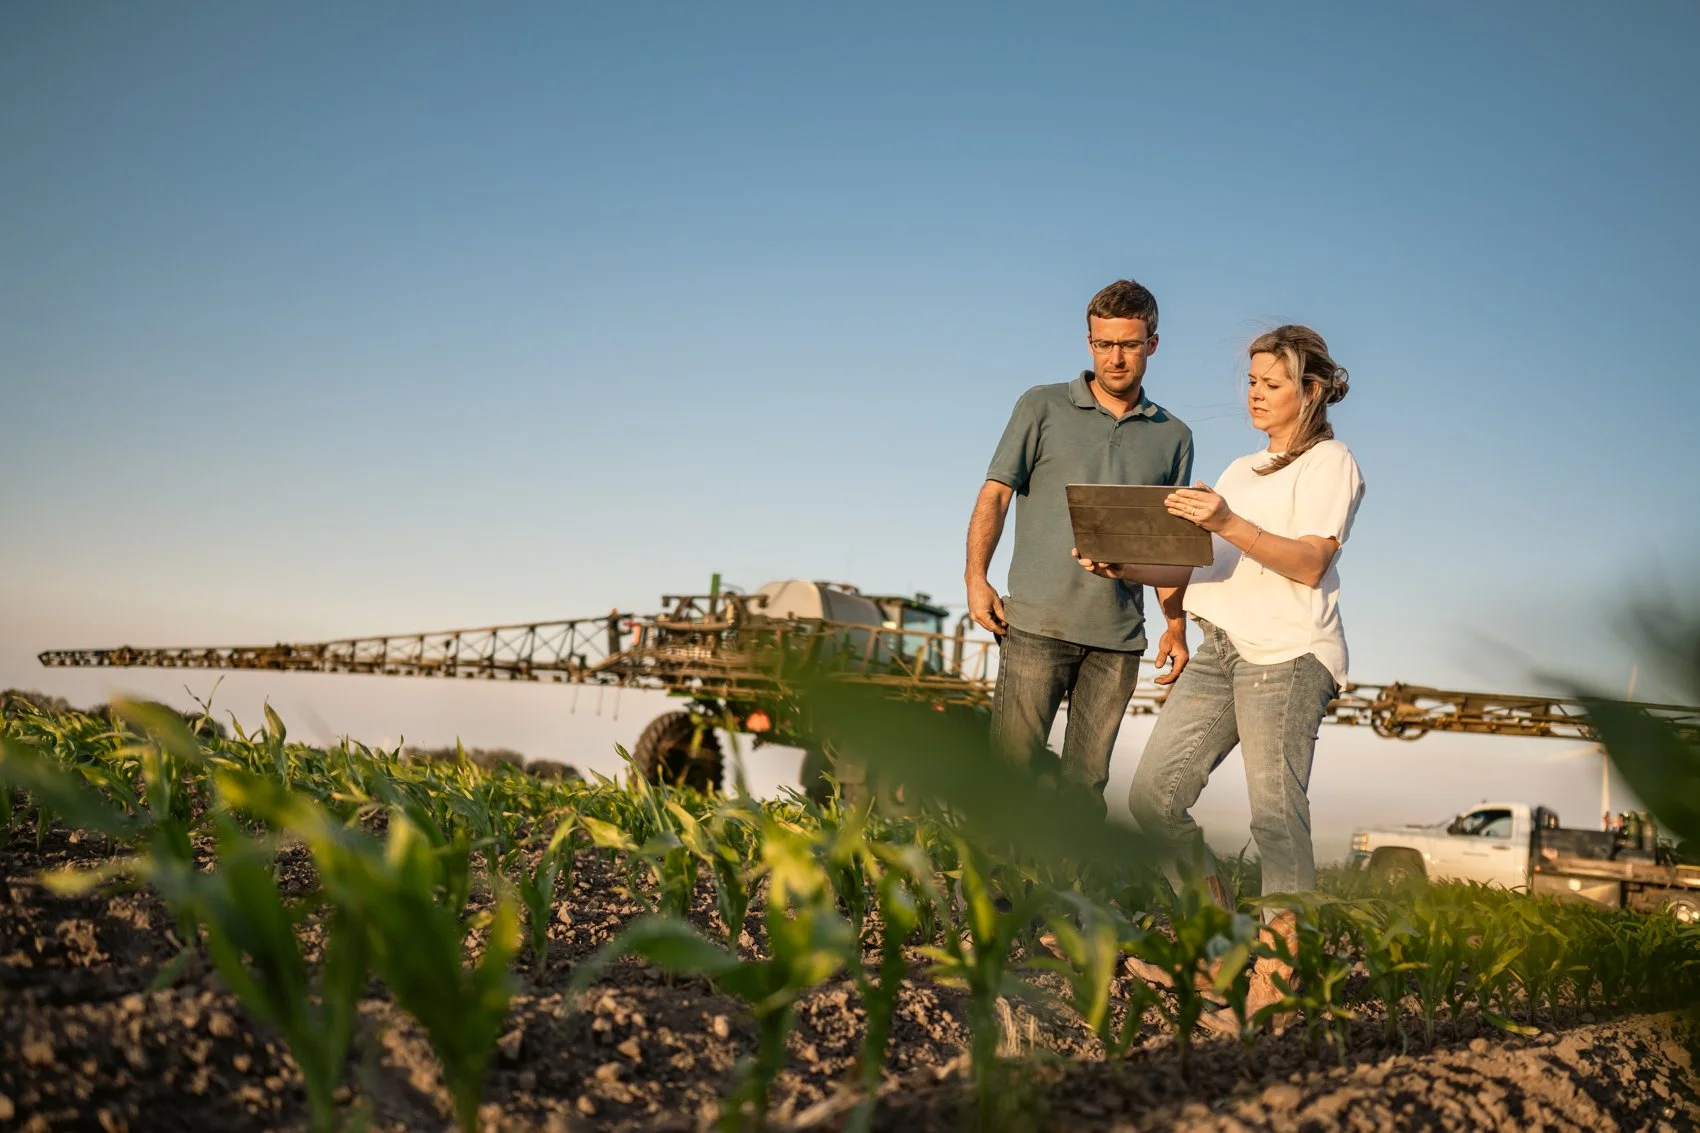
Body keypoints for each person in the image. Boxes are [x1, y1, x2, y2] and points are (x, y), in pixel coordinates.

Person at [1074, 324, 1364, 1023]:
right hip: (1221, 645)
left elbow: (1308, 563)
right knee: (1154, 797)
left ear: (1311, 390)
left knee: (1274, 814)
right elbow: (1199, 564)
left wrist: (1227, 520)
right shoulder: (1238, 470)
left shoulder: (1332, 463)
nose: (1255, 395)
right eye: (1251, 383)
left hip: (1290, 655)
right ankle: (1217, 946)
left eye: (1270, 384)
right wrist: (1124, 566)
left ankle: (1280, 976)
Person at [966, 279, 1194, 809]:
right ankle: (994, 894)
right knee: (1011, 775)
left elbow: (1168, 546)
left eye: (1130, 344)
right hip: (1035, 625)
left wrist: (1176, 626)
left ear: (1152, 345)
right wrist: (976, 578)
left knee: (1086, 788)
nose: (1116, 358)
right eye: (1103, 344)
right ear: (1089, 342)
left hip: (1117, 640)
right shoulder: (1041, 406)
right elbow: (996, 494)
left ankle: (1069, 894)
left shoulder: (1174, 436)